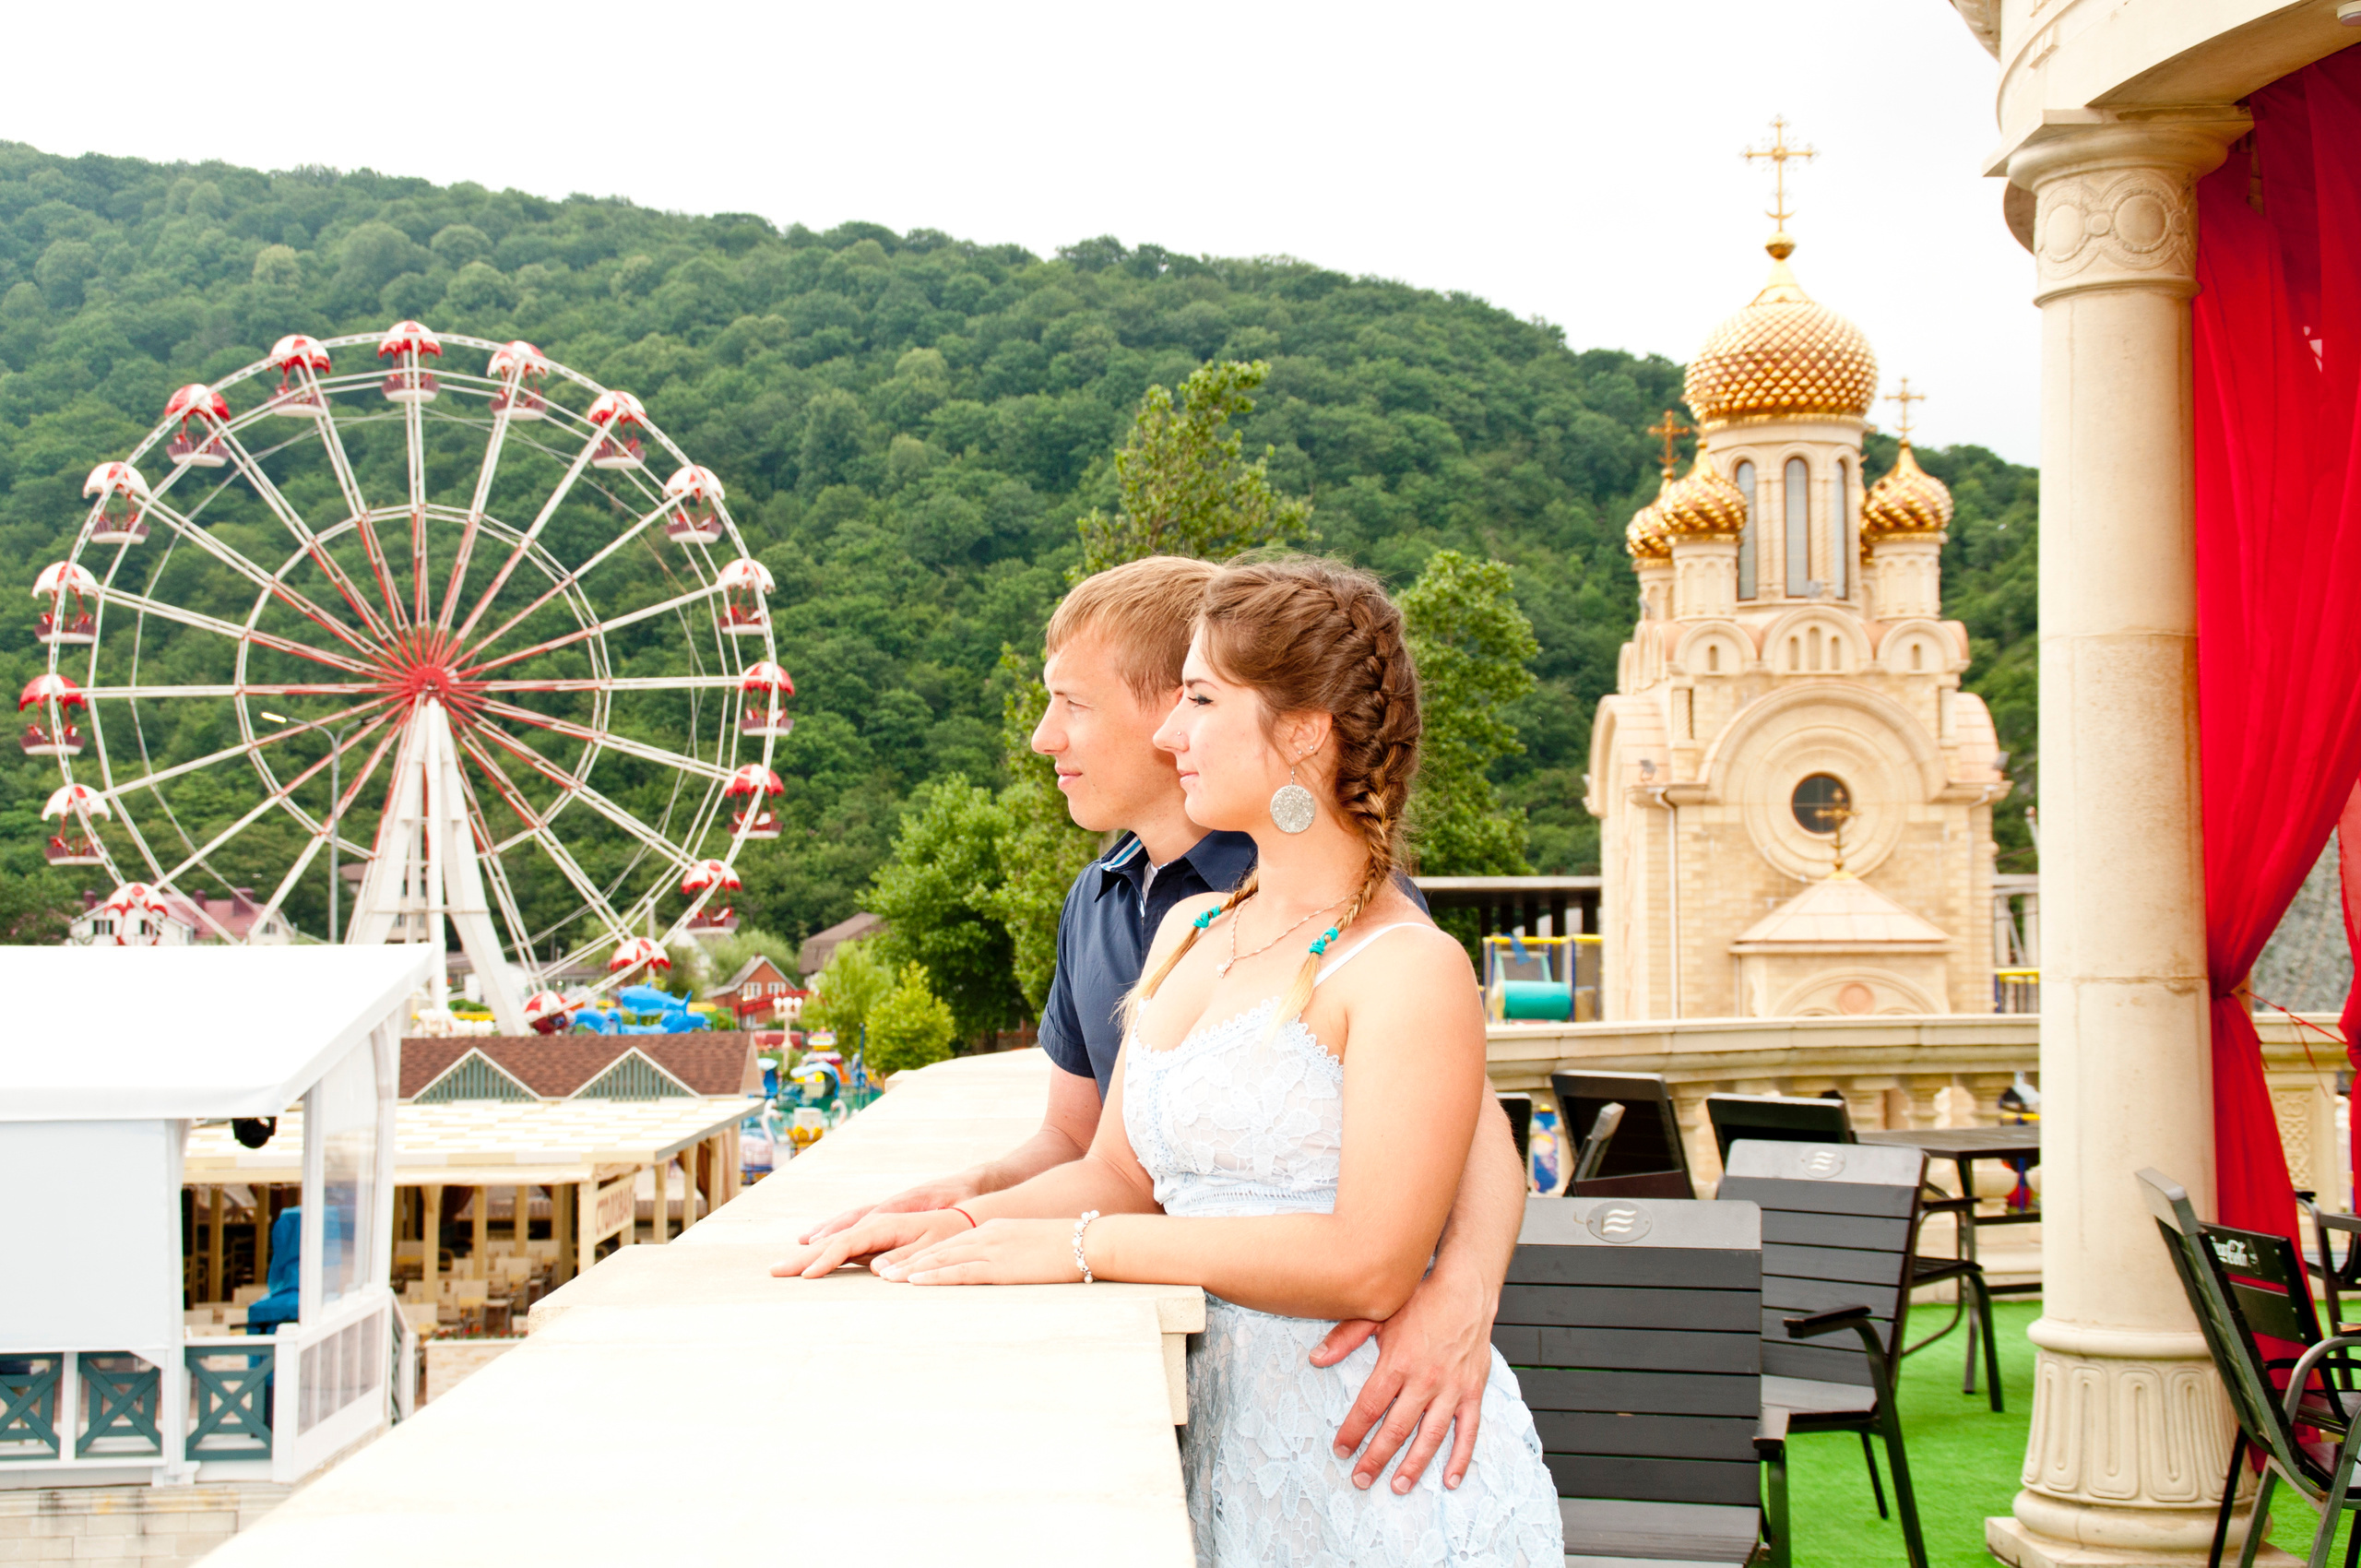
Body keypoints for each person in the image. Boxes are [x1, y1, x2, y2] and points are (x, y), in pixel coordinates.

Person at [778, 558, 1562, 1565]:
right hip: (1221, 1443)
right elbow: (1115, 1168)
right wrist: (957, 1222)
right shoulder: (1188, 929)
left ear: (1303, 731)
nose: (1170, 734)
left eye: (1199, 700)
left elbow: (1385, 1242)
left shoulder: (1402, 957)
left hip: (1378, 1461)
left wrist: (1083, 1248)